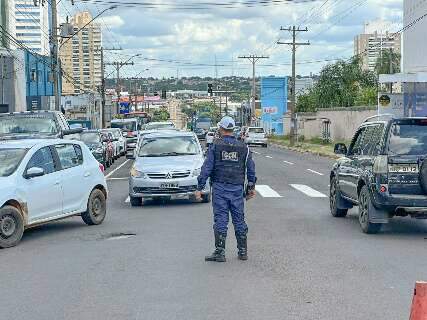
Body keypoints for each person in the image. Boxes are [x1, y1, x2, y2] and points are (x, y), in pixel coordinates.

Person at [195, 116, 257, 262]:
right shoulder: (244, 148)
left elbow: (207, 168)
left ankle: (220, 252)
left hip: (220, 188)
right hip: (236, 189)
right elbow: (251, 170)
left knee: (221, 219)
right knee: (239, 219)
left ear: (221, 129)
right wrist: (250, 188)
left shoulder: (215, 146)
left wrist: (199, 187)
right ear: (233, 129)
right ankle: (242, 252)